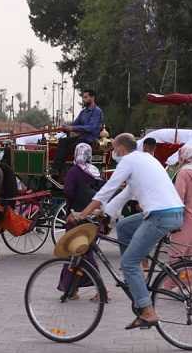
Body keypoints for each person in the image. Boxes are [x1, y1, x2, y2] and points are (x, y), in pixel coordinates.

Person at [71, 133, 183, 330]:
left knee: (129, 262)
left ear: (121, 149)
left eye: (113, 148)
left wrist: (83, 214)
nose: (113, 152)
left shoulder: (129, 161)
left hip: (159, 215)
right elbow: (125, 194)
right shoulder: (145, 159)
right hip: (173, 212)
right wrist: (104, 212)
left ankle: (147, 311)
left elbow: (107, 189)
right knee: (123, 227)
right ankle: (133, 278)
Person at [58, 143, 104, 300]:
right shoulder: (95, 171)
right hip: (94, 217)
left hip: (77, 217)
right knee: (83, 252)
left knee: (78, 252)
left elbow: (68, 192)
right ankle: (73, 290)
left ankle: (99, 290)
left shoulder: (74, 172)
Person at [53, 90, 104, 179]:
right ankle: (56, 170)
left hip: (90, 140)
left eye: (85, 97)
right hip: (81, 138)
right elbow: (75, 124)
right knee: (63, 141)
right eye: (83, 98)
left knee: (70, 147)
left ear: (92, 98)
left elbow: (91, 128)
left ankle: (68, 175)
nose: (84, 100)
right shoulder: (83, 112)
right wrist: (65, 127)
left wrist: (72, 128)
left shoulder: (97, 111)